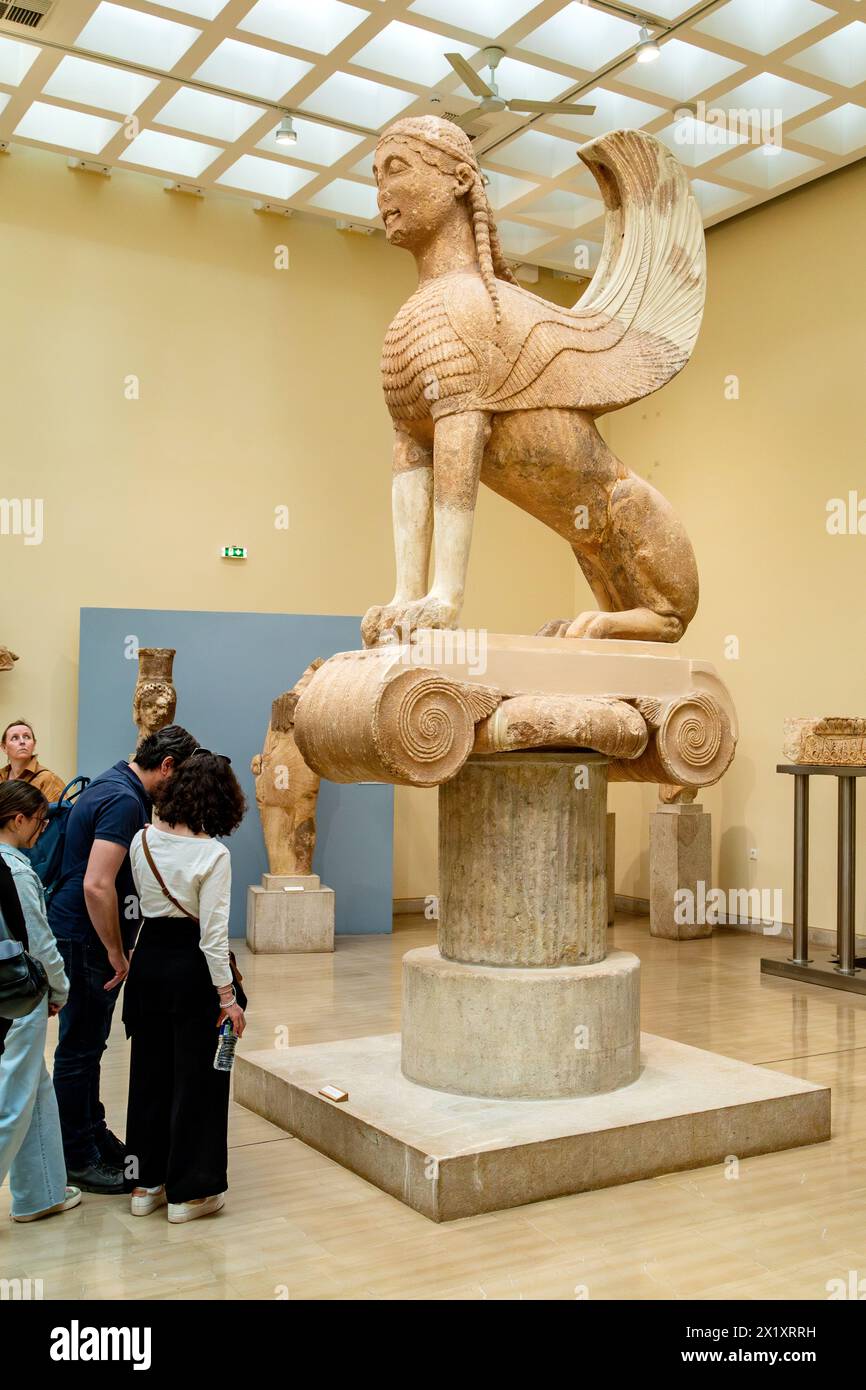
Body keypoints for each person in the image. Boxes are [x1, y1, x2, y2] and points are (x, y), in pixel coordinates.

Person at [49, 724, 199, 1195]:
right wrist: (116, 950)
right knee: (79, 1050)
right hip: (84, 938)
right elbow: (98, 884)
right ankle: (77, 1156)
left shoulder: (110, 783)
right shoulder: (125, 801)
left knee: (88, 1046)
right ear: (168, 766)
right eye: (182, 777)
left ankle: (91, 1136)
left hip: (78, 933)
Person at [124, 749, 246, 1224]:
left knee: (148, 1076)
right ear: (221, 800)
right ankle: (190, 1193)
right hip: (191, 970)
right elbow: (213, 939)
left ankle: (145, 1183)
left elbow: (144, 904)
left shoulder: (141, 840)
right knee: (198, 1081)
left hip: (149, 959)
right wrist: (228, 999)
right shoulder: (214, 855)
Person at [0, 782, 79, 1222]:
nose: (41, 831)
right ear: (19, 820)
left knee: (35, 1088)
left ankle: (41, 1192)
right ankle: (38, 1192)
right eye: (39, 822)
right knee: (12, 1101)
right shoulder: (16, 870)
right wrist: (60, 988)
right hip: (17, 995)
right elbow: (40, 944)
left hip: (6, 992)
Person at [1, 719, 66, 804]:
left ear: (34, 744)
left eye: (26, 737)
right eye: (15, 738)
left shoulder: (47, 778)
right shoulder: (1, 776)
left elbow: (61, 814)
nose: (22, 742)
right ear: (4, 747)